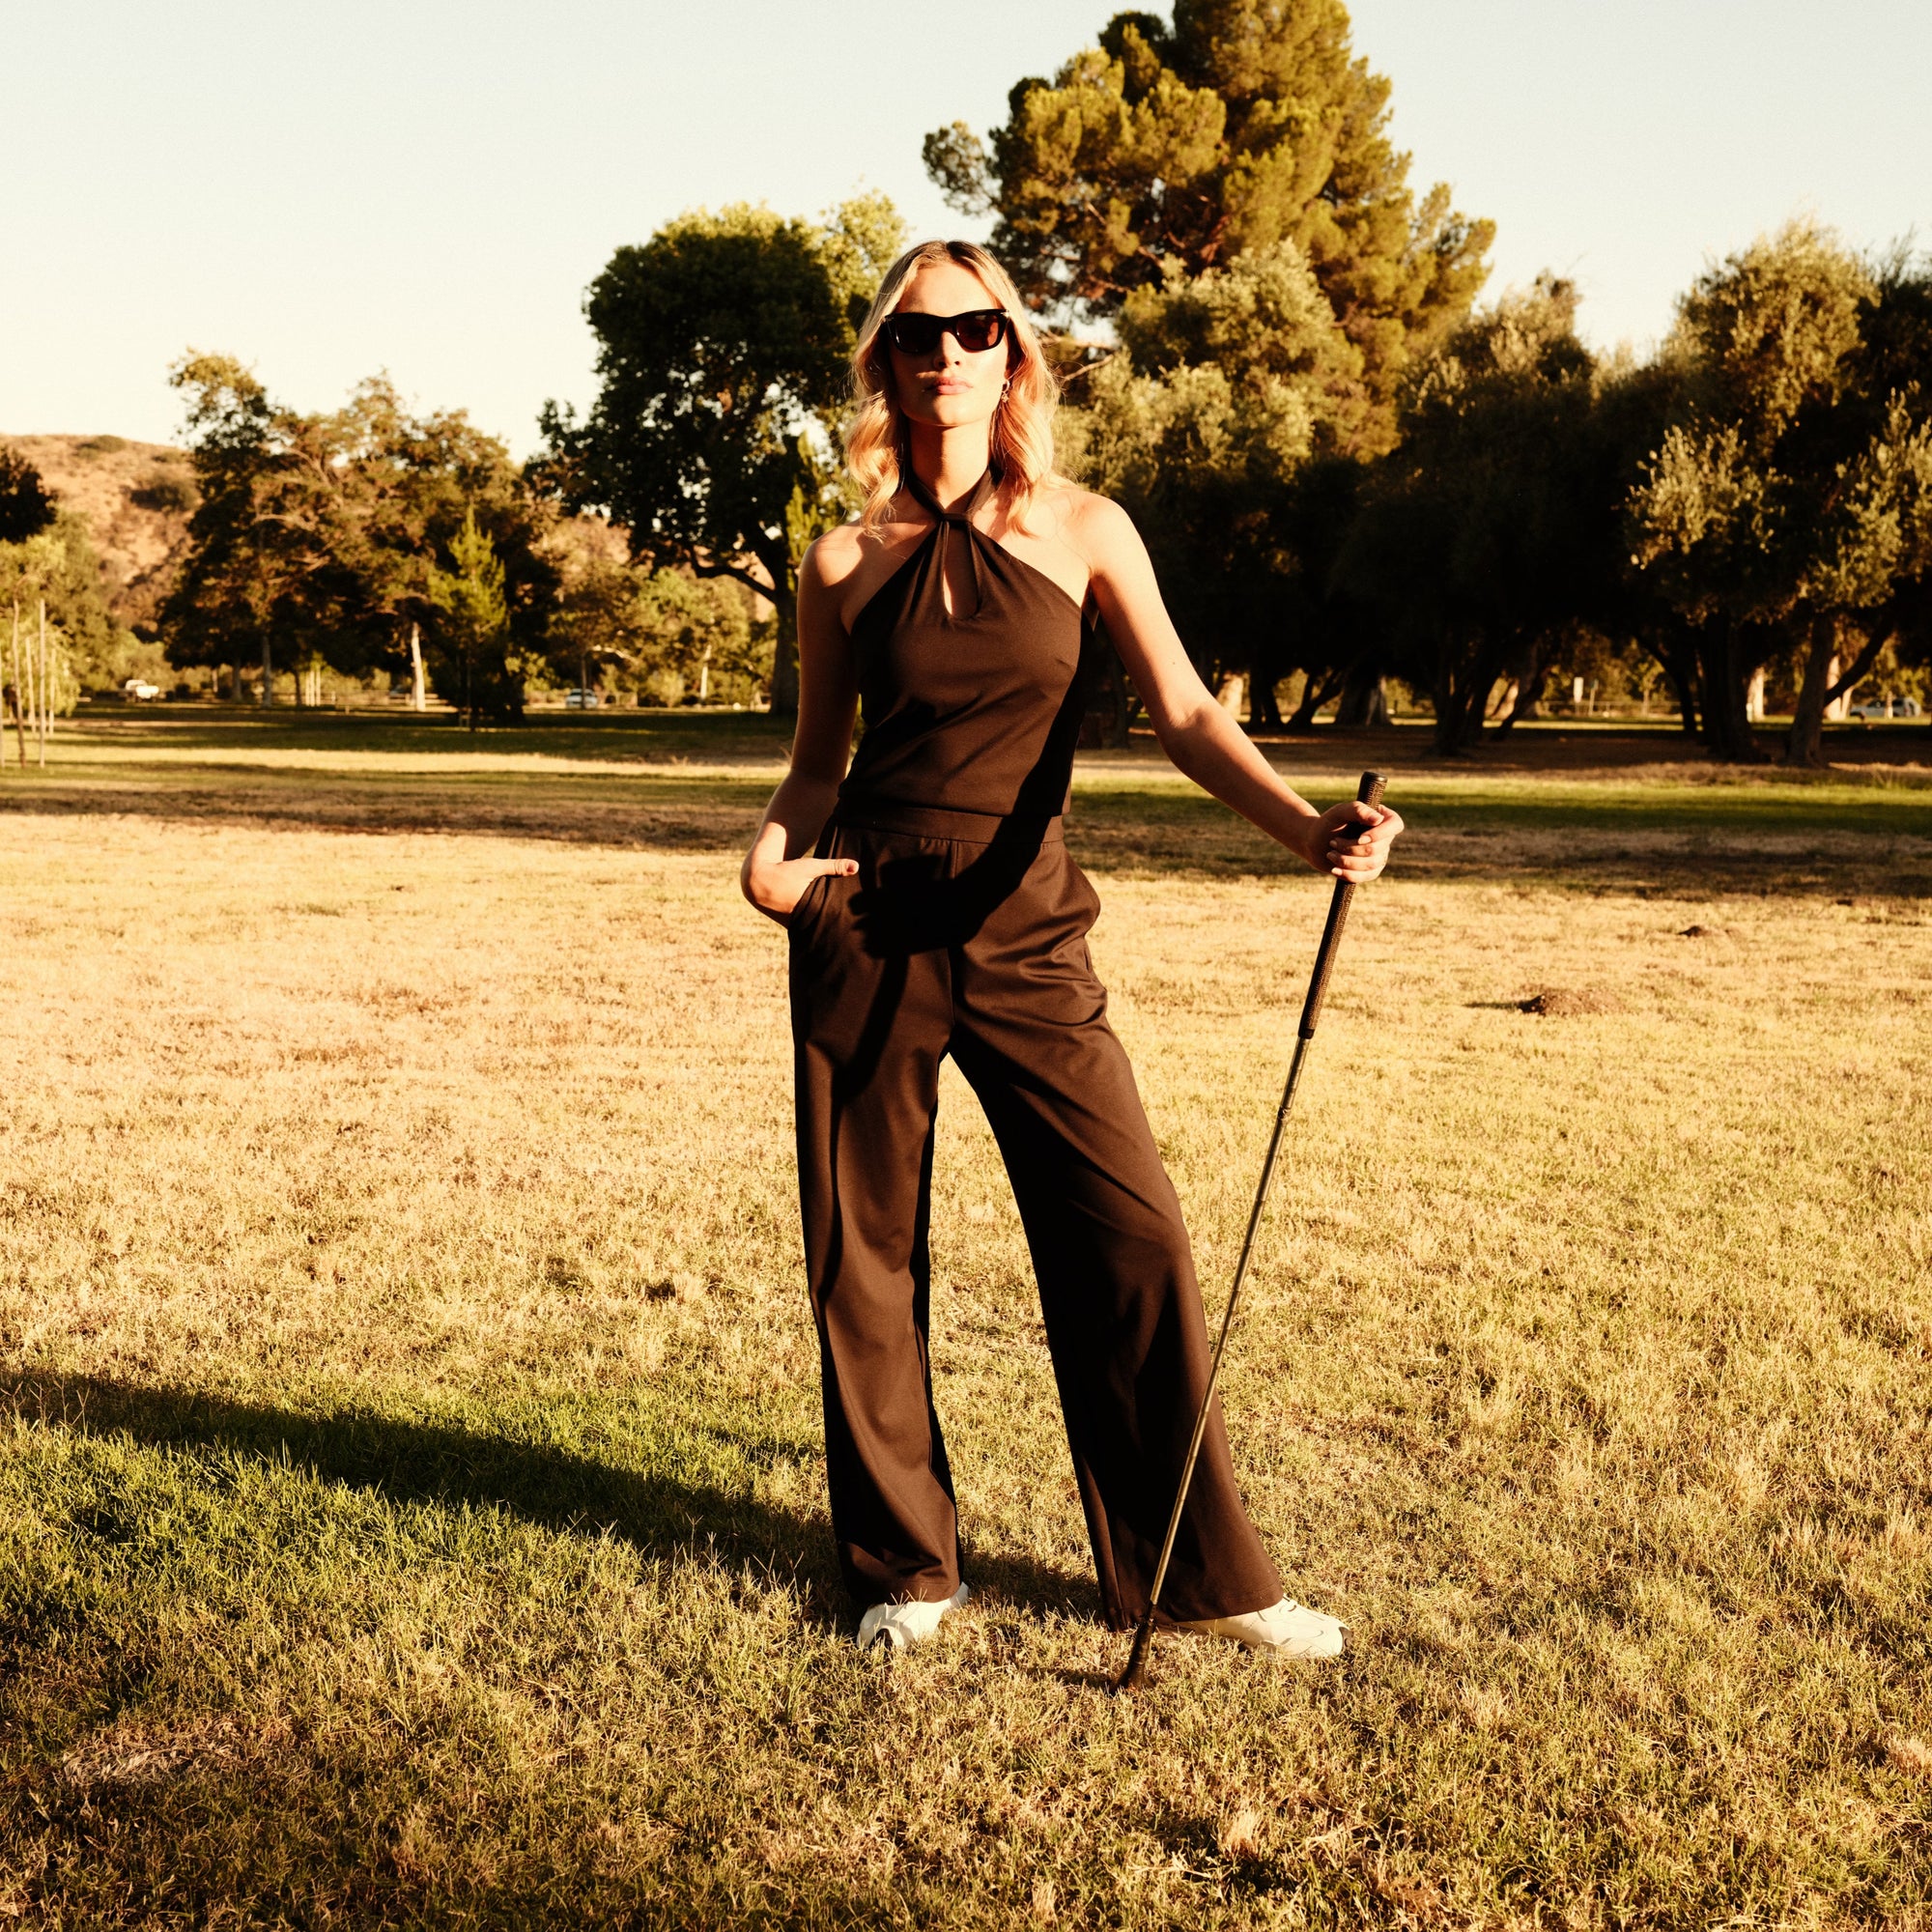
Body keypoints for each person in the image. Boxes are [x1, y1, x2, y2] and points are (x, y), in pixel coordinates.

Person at [740, 240, 1402, 1657]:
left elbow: (1187, 715)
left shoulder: (1088, 529)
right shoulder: (841, 559)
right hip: (865, 917)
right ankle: (908, 1573)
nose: (947, 353)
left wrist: (1304, 829)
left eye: (976, 328)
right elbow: (815, 763)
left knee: (1129, 1232)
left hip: (1027, 920)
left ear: (1012, 354)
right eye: (917, 334)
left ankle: (1205, 1582)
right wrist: (771, 863)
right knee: (864, 1252)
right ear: (886, 361)